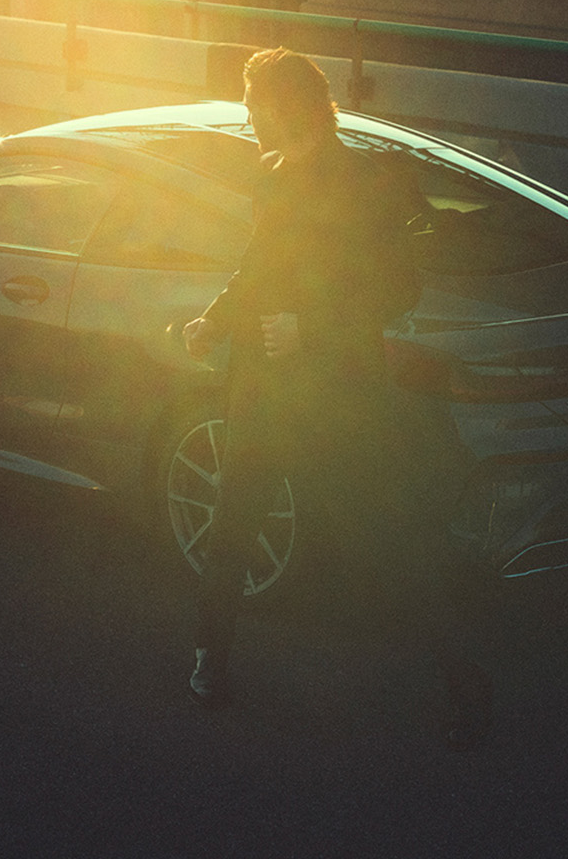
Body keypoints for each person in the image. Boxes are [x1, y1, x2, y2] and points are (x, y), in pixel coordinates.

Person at [180, 47, 493, 750]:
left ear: (290, 108)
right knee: (232, 529)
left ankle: (466, 682)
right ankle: (209, 659)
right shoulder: (270, 175)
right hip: (261, 388)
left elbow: (397, 289)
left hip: (336, 394)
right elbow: (258, 266)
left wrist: (310, 329)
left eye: (255, 106)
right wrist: (216, 319)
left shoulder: (364, 183)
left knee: (385, 540)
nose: (248, 118)